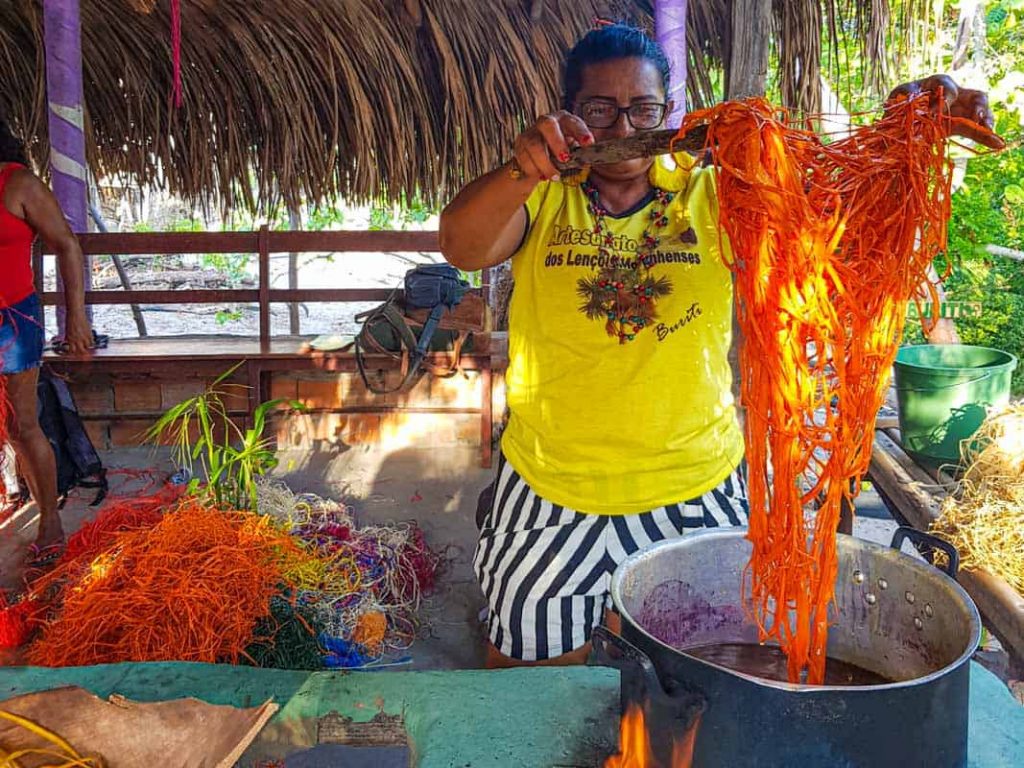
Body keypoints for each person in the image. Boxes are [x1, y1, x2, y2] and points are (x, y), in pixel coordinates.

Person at [440, 23, 996, 668]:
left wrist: (906, 128)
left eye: (642, 109)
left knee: (707, 674)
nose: (623, 127)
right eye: (599, 110)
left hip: (697, 485)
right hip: (550, 486)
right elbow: (462, 245)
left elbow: (838, 212)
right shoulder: (540, 198)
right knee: (527, 684)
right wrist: (520, 167)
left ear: (668, 112)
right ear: (568, 115)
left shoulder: (719, 193)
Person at [0, 115, 92, 567]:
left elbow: (67, 245)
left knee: (22, 425)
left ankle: (50, 522)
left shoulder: (18, 185)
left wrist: (75, 319)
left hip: (13, 320)